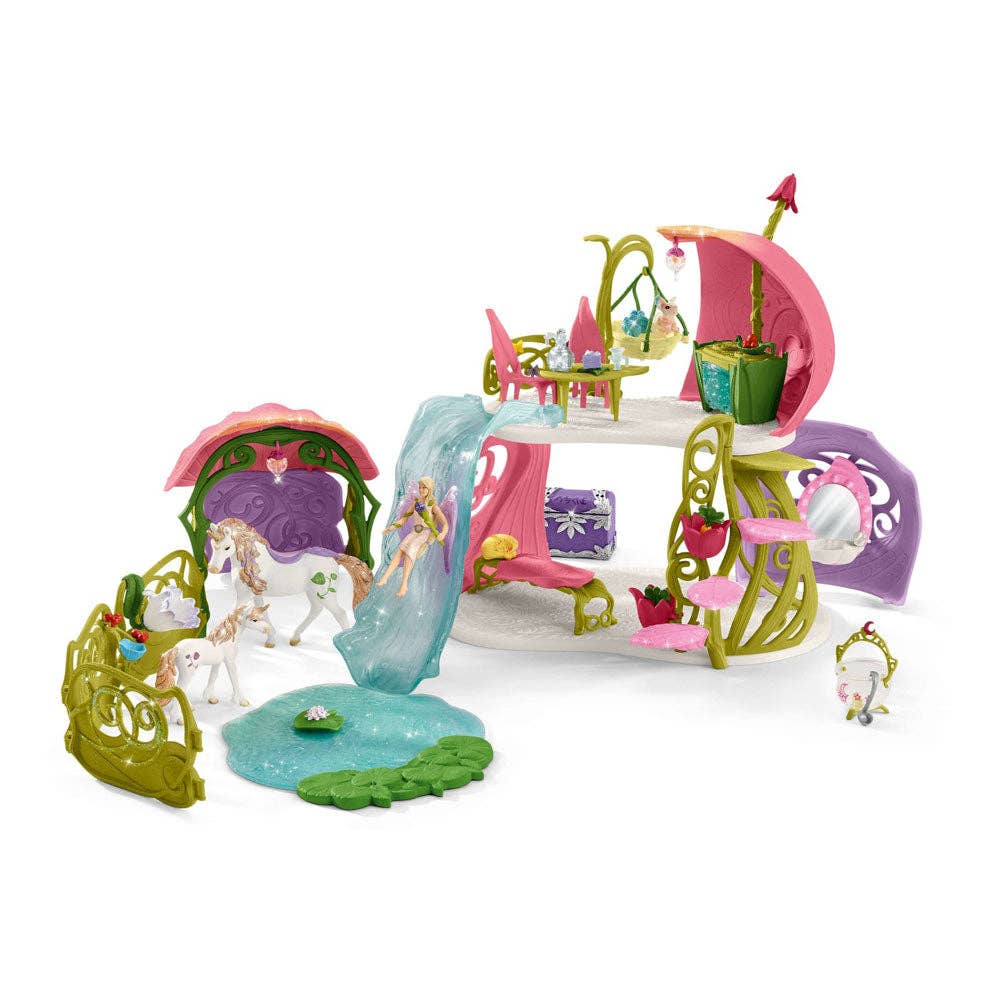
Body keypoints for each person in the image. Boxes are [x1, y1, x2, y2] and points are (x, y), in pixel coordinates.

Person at [376, 476, 449, 597]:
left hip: (424, 533)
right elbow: (405, 517)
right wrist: (392, 527)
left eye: (424, 487)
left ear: (430, 488)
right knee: (400, 551)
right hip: (414, 532)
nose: (421, 490)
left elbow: (445, 523)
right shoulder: (416, 502)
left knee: (410, 552)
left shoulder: (433, 506)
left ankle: (404, 585)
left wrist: (443, 534)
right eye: (420, 487)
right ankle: (385, 577)